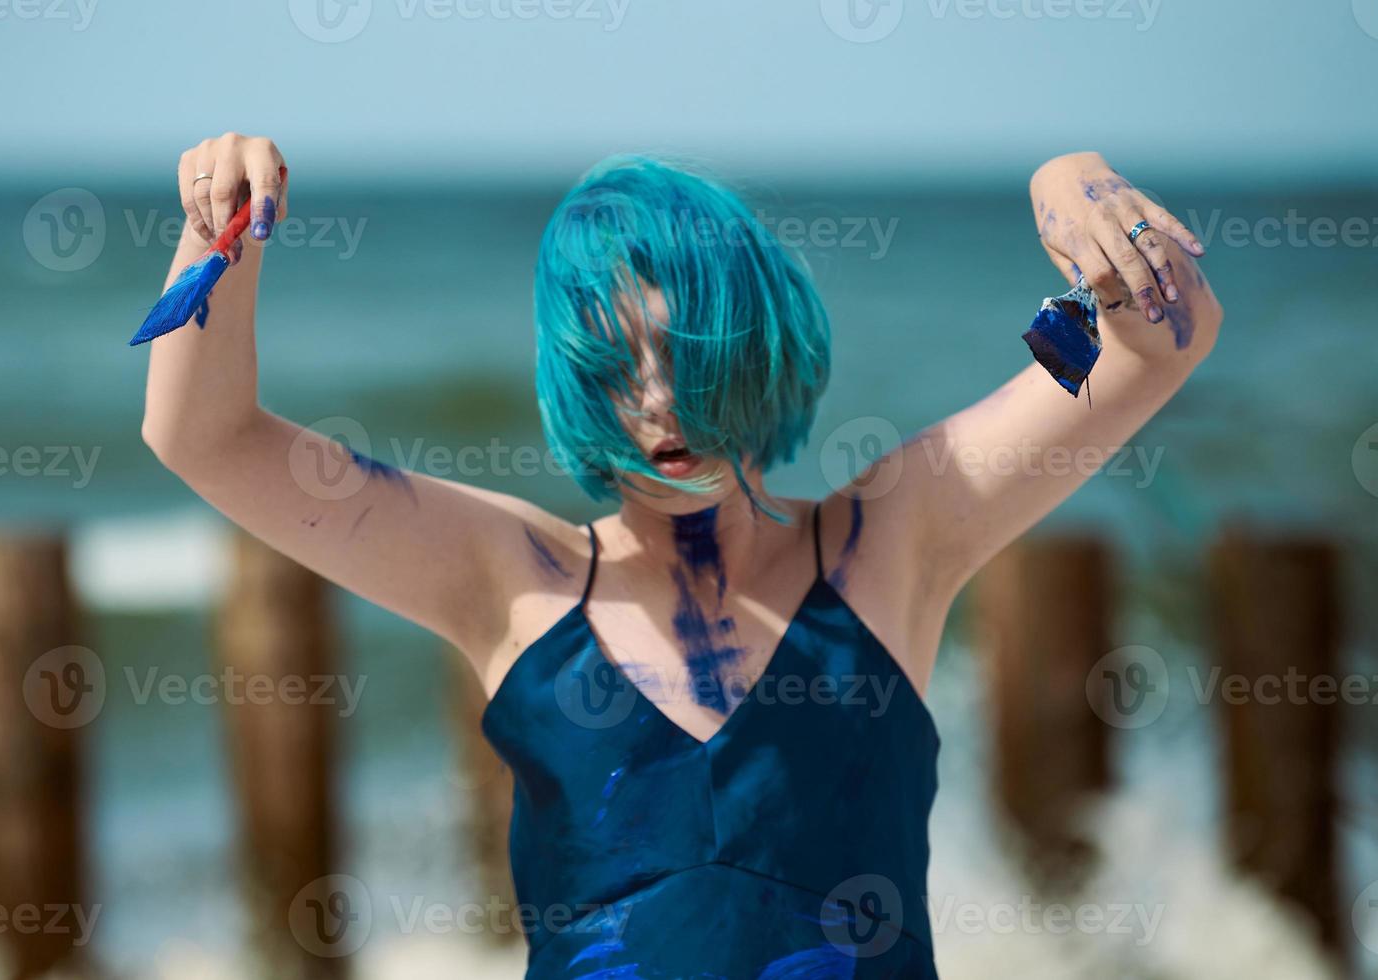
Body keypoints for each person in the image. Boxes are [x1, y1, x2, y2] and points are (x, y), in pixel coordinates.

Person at [140, 134, 1221, 978]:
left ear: (753, 341)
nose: (661, 399)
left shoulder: (887, 543)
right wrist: (221, 231)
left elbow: (1162, 341)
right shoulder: (517, 579)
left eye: (686, 351)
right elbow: (205, 436)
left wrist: (1070, 181)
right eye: (619, 364)